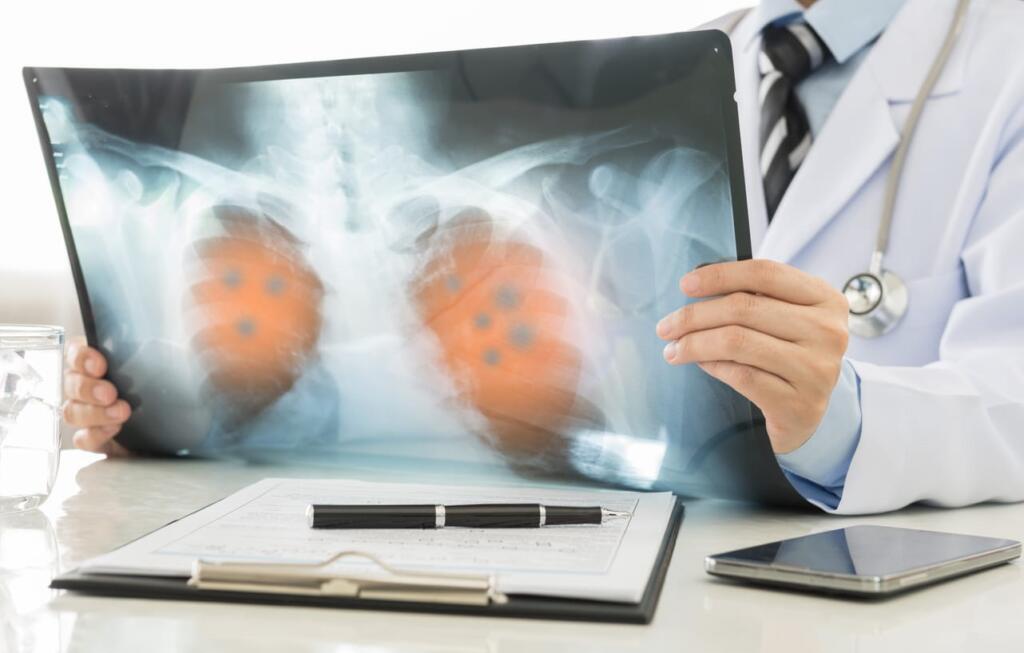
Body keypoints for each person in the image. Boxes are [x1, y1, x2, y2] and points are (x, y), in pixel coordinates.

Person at [62, 0, 1024, 514]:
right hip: (658, 577)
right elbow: (571, 405)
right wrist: (173, 406)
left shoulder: (1005, 64)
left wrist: (839, 418)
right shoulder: (686, 61)